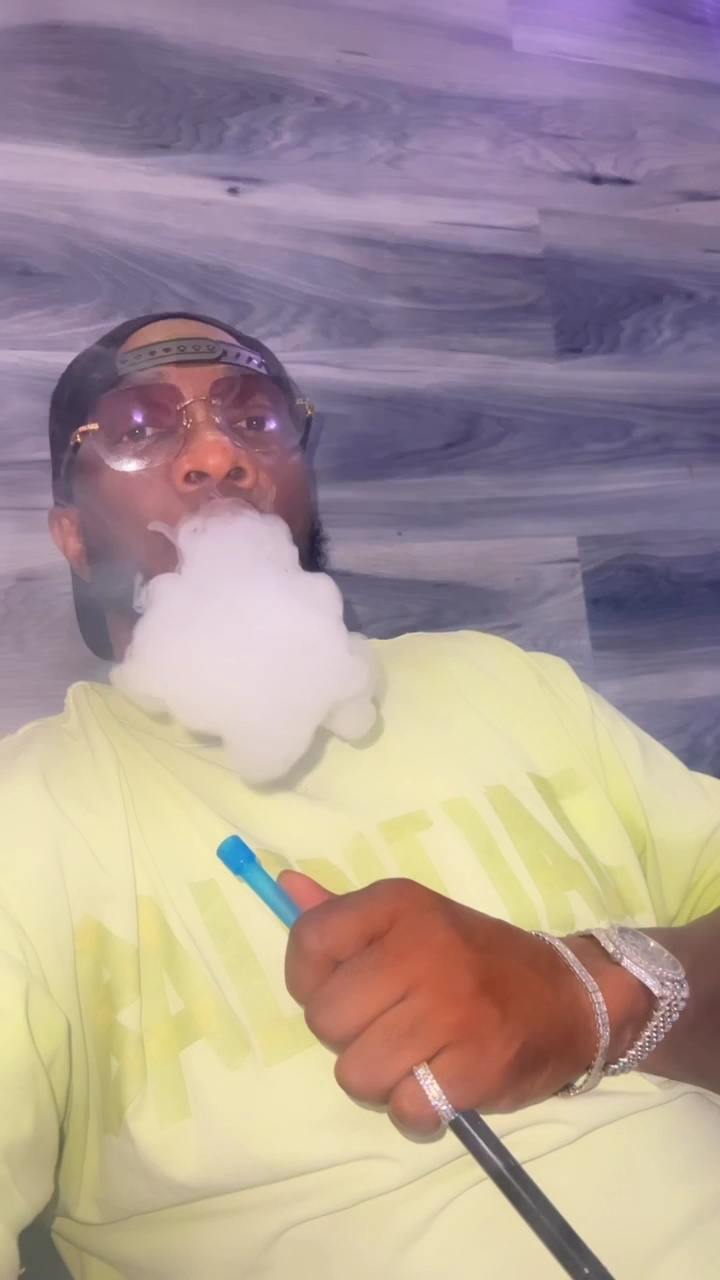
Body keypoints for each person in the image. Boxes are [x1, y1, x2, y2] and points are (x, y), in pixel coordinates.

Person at [2, 311, 719, 1280]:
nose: (215, 453)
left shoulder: (505, 682)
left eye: (254, 418)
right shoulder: (29, 810)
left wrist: (591, 996)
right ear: (73, 539)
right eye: (139, 428)